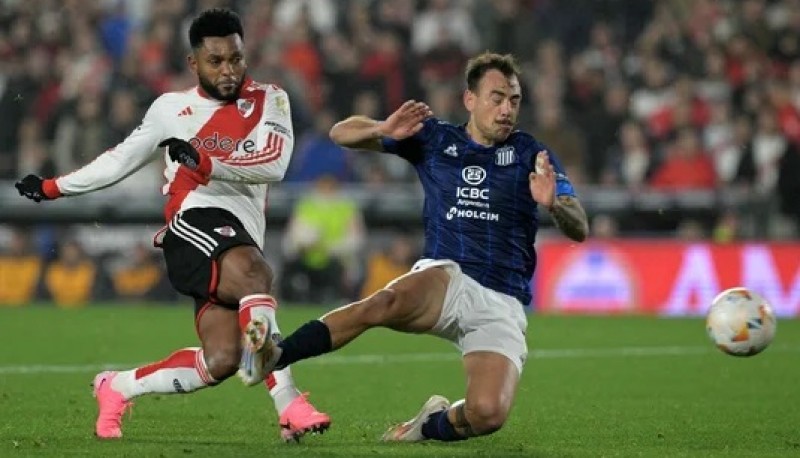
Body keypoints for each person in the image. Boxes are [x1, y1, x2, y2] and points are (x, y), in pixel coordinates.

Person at [14, 9, 329, 442]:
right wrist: (54, 187)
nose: (228, 70)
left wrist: (205, 162)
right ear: (192, 62)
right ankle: (289, 402)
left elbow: (274, 163)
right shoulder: (170, 109)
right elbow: (120, 159)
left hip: (239, 239)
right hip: (191, 226)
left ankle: (117, 386)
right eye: (216, 60)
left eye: (236, 58)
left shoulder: (270, 99)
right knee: (257, 274)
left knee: (220, 360)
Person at [255, 52, 589, 442]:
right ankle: (276, 355)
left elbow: (579, 226)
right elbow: (340, 133)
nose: (506, 109)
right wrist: (384, 127)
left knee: (487, 413)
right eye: (496, 98)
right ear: (470, 99)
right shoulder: (434, 138)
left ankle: (427, 425)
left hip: (503, 298)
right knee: (382, 304)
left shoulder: (532, 154)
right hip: (448, 274)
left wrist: (553, 204)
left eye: (513, 101)